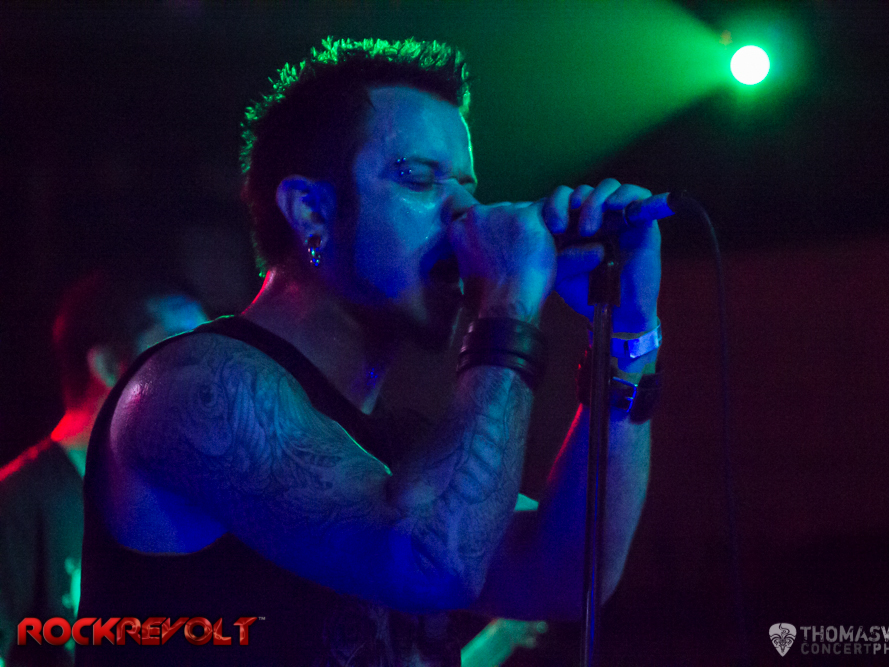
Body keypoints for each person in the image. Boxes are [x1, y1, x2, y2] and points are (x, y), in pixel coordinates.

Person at [77, 37, 667, 666]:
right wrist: (508, 300)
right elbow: (432, 561)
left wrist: (627, 335)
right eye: (420, 179)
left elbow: (568, 577)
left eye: (468, 188)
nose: (468, 213)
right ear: (311, 211)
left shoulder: (399, 450)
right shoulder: (199, 387)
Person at [0, 271, 208, 667]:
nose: (207, 373)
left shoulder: (183, 501)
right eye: (180, 349)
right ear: (110, 366)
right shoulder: (17, 504)